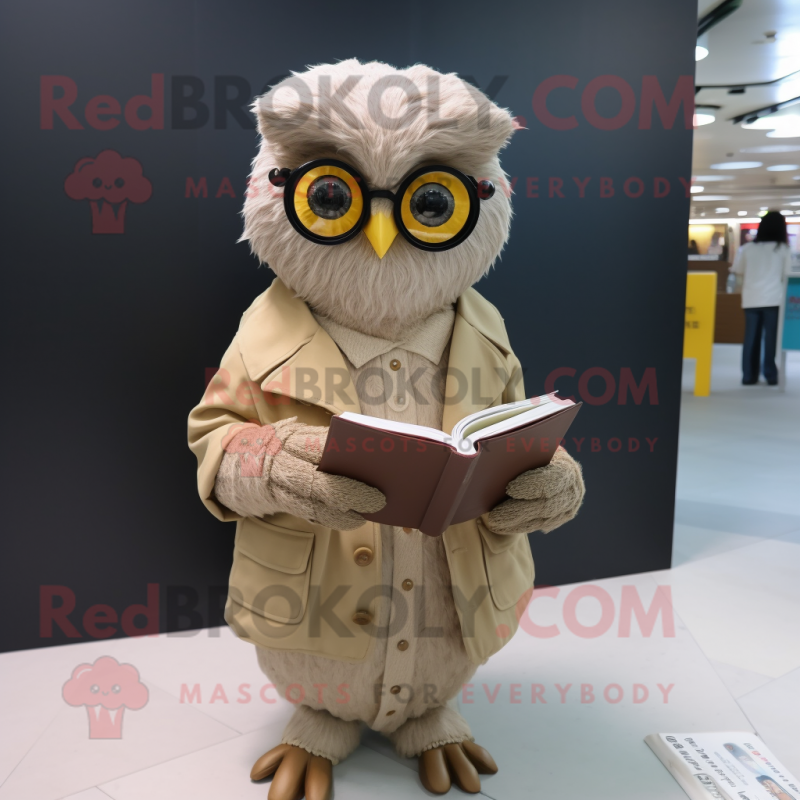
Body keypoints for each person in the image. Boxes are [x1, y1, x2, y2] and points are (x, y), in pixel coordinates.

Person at [730, 211, 792, 385]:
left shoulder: (747, 248)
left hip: (751, 297)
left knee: (750, 337)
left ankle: (749, 375)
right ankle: (770, 373)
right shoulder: (782, 249)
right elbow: (786, 274)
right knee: (770, 339)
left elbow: (738, 271)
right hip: (774, 299)